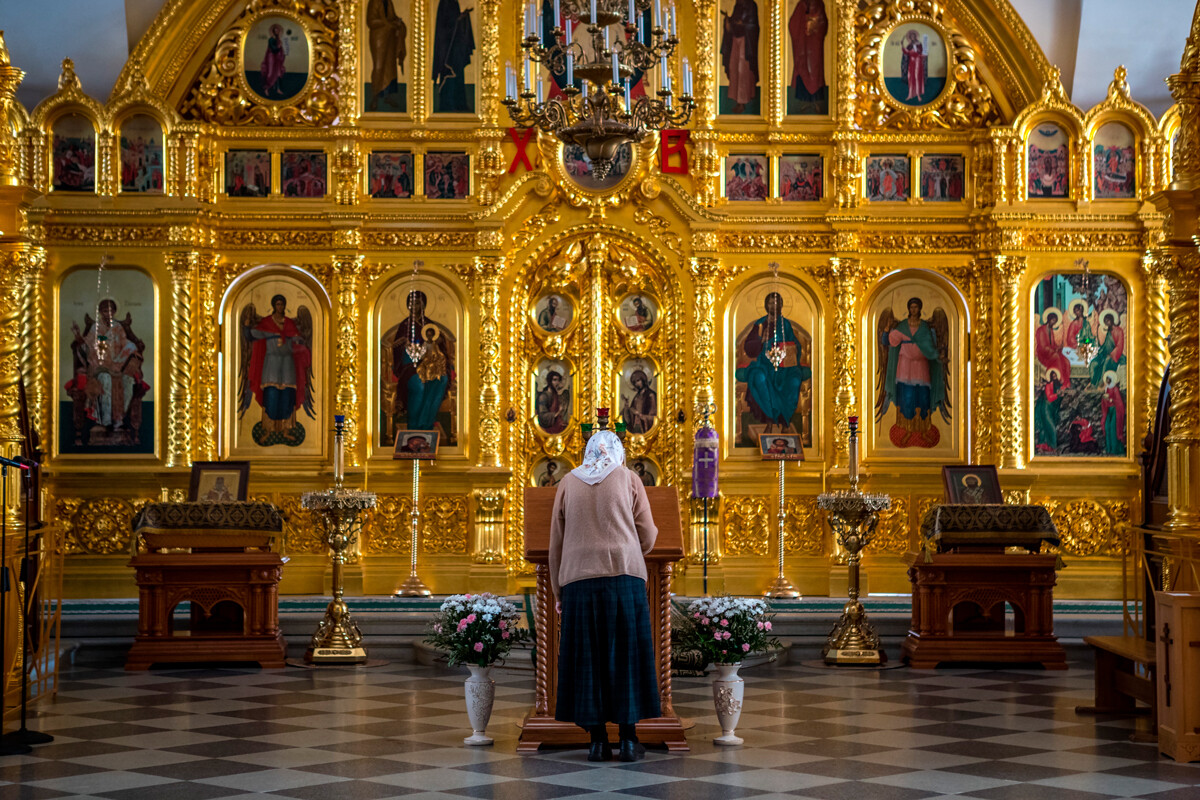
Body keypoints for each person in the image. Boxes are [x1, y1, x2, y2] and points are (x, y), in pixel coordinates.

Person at [549, 431, 660, 763]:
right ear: (617, 452)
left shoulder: (568, 482)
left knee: (588, 660)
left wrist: (558, 589)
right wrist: (628, 550)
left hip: (579, 583)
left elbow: (556, 540)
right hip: (623, 577)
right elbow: (648, 533)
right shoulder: (628, 478)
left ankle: (597, 742)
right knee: (626, 658)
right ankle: (628, 740)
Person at [736, 292, 812, 439]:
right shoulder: (759, 324)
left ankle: (785, 422)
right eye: (771, 303)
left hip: (785, 366)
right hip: (765, 364)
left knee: (794, 380)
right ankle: (769, 421)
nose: (773, 306)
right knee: (759, 378)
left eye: (776, 303)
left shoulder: (786, 324)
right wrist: (760, 340)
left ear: (781, 305)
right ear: (766, 305)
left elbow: (795, 344)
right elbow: (749, 349)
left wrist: (789, 351)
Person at [246, 294, 312, 436]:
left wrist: (298, 340)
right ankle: (268, 430)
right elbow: (253, 334)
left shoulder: (289, 324)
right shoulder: (267, 323)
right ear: (273, 305)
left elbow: (298, 337)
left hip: (287, 363)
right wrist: (246, 326)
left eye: (282, 304)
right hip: (272, 363)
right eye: (277, 304)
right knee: (271, 395)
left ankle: (286, 429)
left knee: (287, 395)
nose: (280, 307)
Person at [392, 290, 453, 432]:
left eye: (418, 303)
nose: (414, 306)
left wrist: (438, 341)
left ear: (424, 305)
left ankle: (426, 424)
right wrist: (404, 344)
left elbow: (440, 344)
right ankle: (413, 426)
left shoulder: (430, 324)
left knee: (442, 380)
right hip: (409, 365)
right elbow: (396, 348)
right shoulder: (405, 325)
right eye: (411, 303)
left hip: (429, 364)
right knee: (418, 385)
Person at [431, 0, 475, 113]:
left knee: (457, 75)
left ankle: (459, 104)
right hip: (447, 49)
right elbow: (445, 26)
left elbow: (453, 22)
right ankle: (448, 105)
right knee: (449, 74)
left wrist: (462, 17)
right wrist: (459, 19)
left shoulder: (453, 2)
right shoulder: (446, 2)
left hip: (455, 48)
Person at [787, 0, 827, 113]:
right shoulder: (801, 5)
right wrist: (803, 24)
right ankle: (805, 102)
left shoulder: (819, 4)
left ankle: (815, 102)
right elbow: (792, 24)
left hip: (814, 44)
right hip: (802, 45)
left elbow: (823, 23)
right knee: (803, 68)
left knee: (815, 70)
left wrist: (814, 23)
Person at [719, 0, 759, 113]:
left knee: (743, 71)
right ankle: (737, 101)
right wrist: (728, 22)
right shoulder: (738, 5)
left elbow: (753, 25)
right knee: (734, 68)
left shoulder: (751, 5)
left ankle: (742, 102)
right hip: (735, 41)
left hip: (746, 44)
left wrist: (743, 25)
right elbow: (734, 23)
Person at [367, 0, 407, 111]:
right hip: (379, 38)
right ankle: (375, 97)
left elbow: (392, 17)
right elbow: (371, 21)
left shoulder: (388, 2)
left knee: (390, 67)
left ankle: (388, 96)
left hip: (390, 37)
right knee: (379, 66)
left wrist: (398, 23)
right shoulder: (374, 2)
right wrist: (388, 24)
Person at [1035, 310, 1071, 388]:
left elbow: (1053, 344)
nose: (1054, 323)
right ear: (1049, 319)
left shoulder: (1050, 330)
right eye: (1053, 320)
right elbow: (1042, 346)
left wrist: (1058, 348)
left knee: (1065, 360)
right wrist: (1053, 350)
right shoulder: (1041, 330)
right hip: (1043, 354)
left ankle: (1066, 382)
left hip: (1051, 352)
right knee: (1056, 357)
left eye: (1055, 321)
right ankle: (1060, 380)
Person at [1090, 310, 1126, 387]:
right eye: (1105, 321)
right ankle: (1093, 383)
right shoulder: (1108, 331)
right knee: (1093, 364)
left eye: (1108, 321)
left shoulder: (1119, 331)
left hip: (1115, 356)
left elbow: (1119, 346)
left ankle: (1101, 384)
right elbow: (1104, 345)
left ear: (1112, 320)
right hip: (1104, 354)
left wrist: (1111, 355)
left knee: (1106, 363)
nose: (1107, 323)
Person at [1034, 369, 1063, 453]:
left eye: (1055, 376)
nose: (1054, 378)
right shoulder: (1049, 385)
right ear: (1050, 377)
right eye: (1053, 376)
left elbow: (1057, 401)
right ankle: (1052, 446)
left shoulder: (1057, 386)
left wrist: (1061, 396)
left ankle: (1046, 446)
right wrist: (1057, 395)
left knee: (1046, 427)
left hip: (1051, 409)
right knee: (1050, 427)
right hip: (1045, 408)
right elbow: (1049, 398)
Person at [621, 369, 657, 434]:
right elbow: (631, 414)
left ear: (643, 380)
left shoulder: (651, 395)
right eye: (634, 382)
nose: (636, 384)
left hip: (645, 427)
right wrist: (627, 407)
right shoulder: (636, 397)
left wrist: (641, 416)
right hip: (636, 426)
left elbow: (654, 416)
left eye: (638, 381)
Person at [1099, 372, 1126, 456]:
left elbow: (1119, 402)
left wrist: (1112, 400)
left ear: (1111, 379)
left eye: (1108, 379)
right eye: (1106, 379)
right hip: (1108, 411)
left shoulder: (1115, 389)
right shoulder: (1107, 388)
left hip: (1115, 410)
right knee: (1107, 428)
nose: (1107, 380)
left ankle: (1115, 449)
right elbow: (1105, 401)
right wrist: (1105, 399)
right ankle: (1109, 448)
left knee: (1113, 429)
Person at [536, 370, 571, 434]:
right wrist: (558, 412)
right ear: (549, 381)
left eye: (558, 380)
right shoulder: (544, 396)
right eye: (554, 380)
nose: (557, 383)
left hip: (557, 425)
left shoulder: (555, 395)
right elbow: (542, 416)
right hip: (548, 428)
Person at [260, 23, 288, 98]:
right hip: (271, 58)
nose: (277, 32)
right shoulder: (271, 39)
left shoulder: (278, 39)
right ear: (273, 31)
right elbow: (273, 49)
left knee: (278, 73)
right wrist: (279, 47)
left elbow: (279, 49)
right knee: (271, 73)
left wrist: (282, 50)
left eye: (278, 30)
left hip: (277, 59)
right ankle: (266, 89)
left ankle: (278, 89)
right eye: (275, 30)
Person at [901, 29, 927, 103]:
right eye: (911, 37)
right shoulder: (910, 45)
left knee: (916, 77)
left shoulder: (919, 44)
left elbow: (921, 52)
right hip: (911, 63)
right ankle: (910, 94)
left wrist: (916, 52)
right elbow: (906, 52)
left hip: (918, 62)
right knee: (910, 77)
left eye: (913, 36)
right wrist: (902, 45)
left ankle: (918, 94)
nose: (912, 38)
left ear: (915, 37)